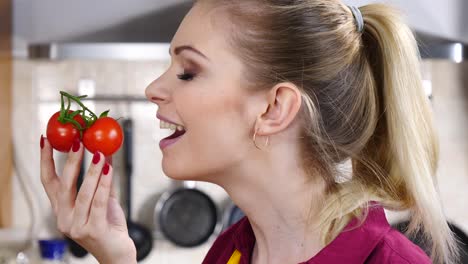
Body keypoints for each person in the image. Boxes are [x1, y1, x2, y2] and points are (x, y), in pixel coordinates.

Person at [39, 0, 458, 263]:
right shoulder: (231, 252)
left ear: (275, 108)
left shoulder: (387, 262)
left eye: (188, 72)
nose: (153, 89)